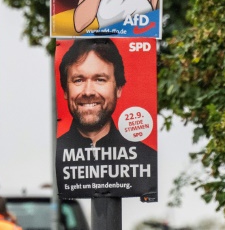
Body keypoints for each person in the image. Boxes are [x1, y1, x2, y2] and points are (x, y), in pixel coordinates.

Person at [56, 39, 157, 198]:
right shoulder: (52, 158)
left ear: (118, 89)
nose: (88, 91)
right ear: (65, 91)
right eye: (78, 80)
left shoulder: (147, 157)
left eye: (100, 80)